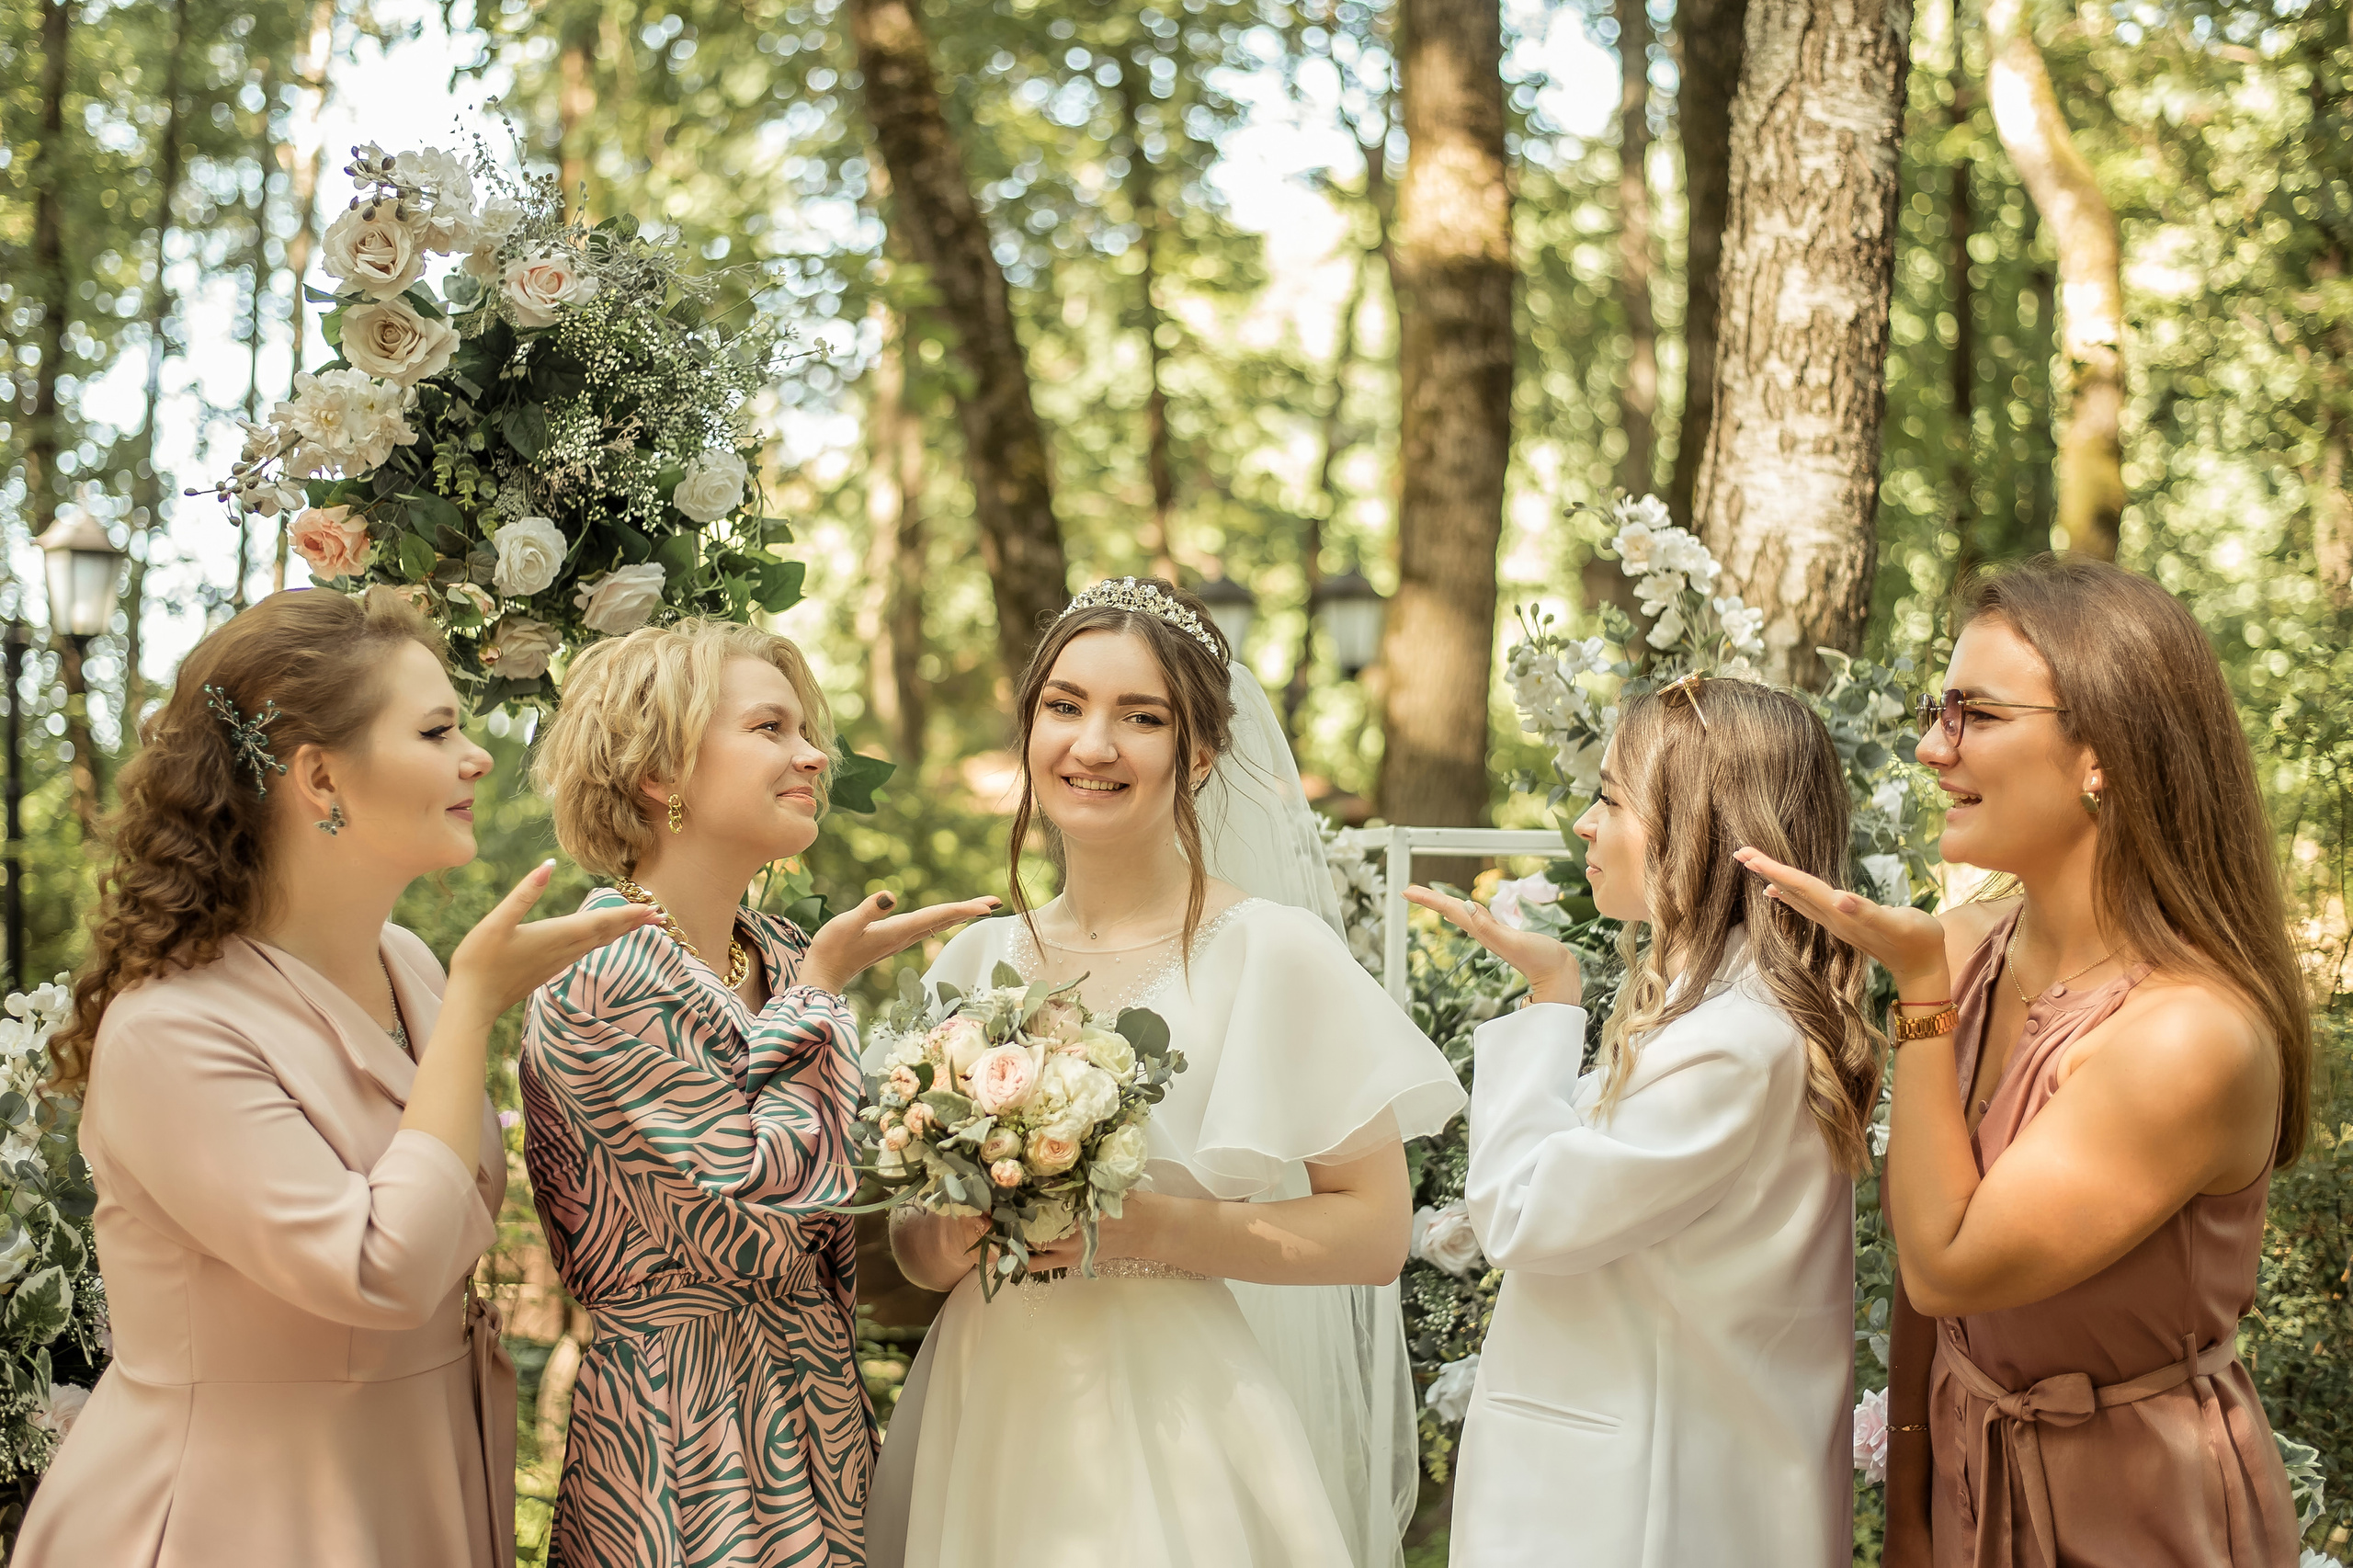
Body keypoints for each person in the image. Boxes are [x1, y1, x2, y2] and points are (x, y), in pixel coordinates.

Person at [16, 587, 659, 1567]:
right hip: (236, 1519)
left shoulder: (411, 963)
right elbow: (380, 1267)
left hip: (416, 1485)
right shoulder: (170, 1030)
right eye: (438, 729)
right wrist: (478, 1007)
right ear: (319, 776)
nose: (474, 757)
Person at [873, 577, 1465, 1568]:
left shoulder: (1267, 950)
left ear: (1195, 753)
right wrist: (957, 1225)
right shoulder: (970, 964)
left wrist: (1158, 1227)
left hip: (1175, 1417)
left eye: (1138, 716)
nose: (1092, 744)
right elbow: (916, 1250)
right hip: (986, 1406)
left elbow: (1373, 1230)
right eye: (1063, 706)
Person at [1736, 554, 2307, 1567]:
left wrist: (1917, 992)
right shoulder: (1969, 950)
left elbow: (1948, 1262)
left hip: (2137, 1511)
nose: (1927, 746)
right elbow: (1926, 1272)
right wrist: (1908, 1506)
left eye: (1973, 715)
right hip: (1969, 1486)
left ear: (2105, 755)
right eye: (1934, 708)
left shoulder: (2188, 1036)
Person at [521, 617, 995, 1568]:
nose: (812, 753)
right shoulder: (601, 967)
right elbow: (761, 1216)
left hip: (817, 1410)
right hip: (685, 1441)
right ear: (660, 772)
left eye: (802, 729)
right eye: (769, 728)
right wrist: (822, 992)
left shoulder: (776, 950)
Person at [1408, 676, 1880, 1567]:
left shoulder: (1732, 1044)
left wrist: (1551, 1001)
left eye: (1610, 798)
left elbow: (1523, 1211)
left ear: (1700, 825)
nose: (1584, 824)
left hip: (1638, 1508)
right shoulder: (1713, 1018)